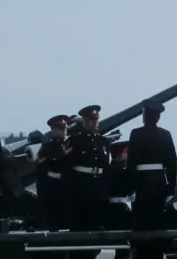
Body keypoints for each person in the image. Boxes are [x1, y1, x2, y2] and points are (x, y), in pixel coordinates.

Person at [127, 98, 177, 259]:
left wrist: (131, 189)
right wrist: (170, 189)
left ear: (145, 115)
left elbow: (131, 164)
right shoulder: (165, 135)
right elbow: (172, 165)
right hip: (158, 184)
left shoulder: (136, 134)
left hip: (141, 185)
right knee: (157, 223)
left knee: (141, 224)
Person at [63, 104, 111, 259]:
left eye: (96, 119)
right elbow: (67, 168)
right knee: (79, 234)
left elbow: (106, 168)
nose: (95, 122)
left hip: (98, 193)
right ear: (84, 121)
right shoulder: (75, 141)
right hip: (80, 192)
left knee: (94, 236)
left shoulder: (103, 142)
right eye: (91, 119)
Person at [36, 115, 70, 233]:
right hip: (53, 189)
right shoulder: (47, 147)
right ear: (53, 130)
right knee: (53, 223)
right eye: (60, 128)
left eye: (64, 127)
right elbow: (41, 168)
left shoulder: (73, 143)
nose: (63, 129)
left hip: (70, 189)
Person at [106, 141, 132, 259]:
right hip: (119, 210)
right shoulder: (119, 171)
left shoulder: (110, 170)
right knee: (123, 247)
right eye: (126, 152)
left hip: (117, 208)